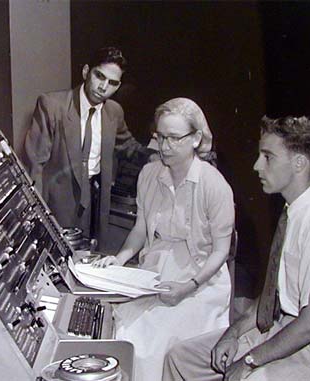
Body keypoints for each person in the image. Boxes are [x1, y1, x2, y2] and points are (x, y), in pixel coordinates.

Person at [163, 116, 310, 381]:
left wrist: (249, 362)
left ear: (299, 163)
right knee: (181, 358)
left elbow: (309, 327)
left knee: (249, 379)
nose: (257, 165)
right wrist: (233, 333)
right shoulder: (294, 211)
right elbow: (274, 294)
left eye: (268, 157)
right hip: (281, 326)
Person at [93, 98, 235, 381]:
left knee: (152, 340)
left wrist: (187, 287)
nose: (164, 146)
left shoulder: (214, 184)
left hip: (200, 280)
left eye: (173, 138)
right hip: (156, 270)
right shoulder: (149, 174)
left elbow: (221, 251)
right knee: (117, 326)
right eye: (160, 137)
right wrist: (118, 261)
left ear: (196, 138)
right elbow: (140, 229)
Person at [24, 47, 148, 248]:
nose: (104, 87)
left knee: (90, 257)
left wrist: (157, 154)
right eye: (100, 76)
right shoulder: (52, 105)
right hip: (57, 201)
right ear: (85, 72)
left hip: (96, 201)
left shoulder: (114, 112)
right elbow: (35, 166)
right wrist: (38, 216)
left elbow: (128, 146)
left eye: (113, 83)